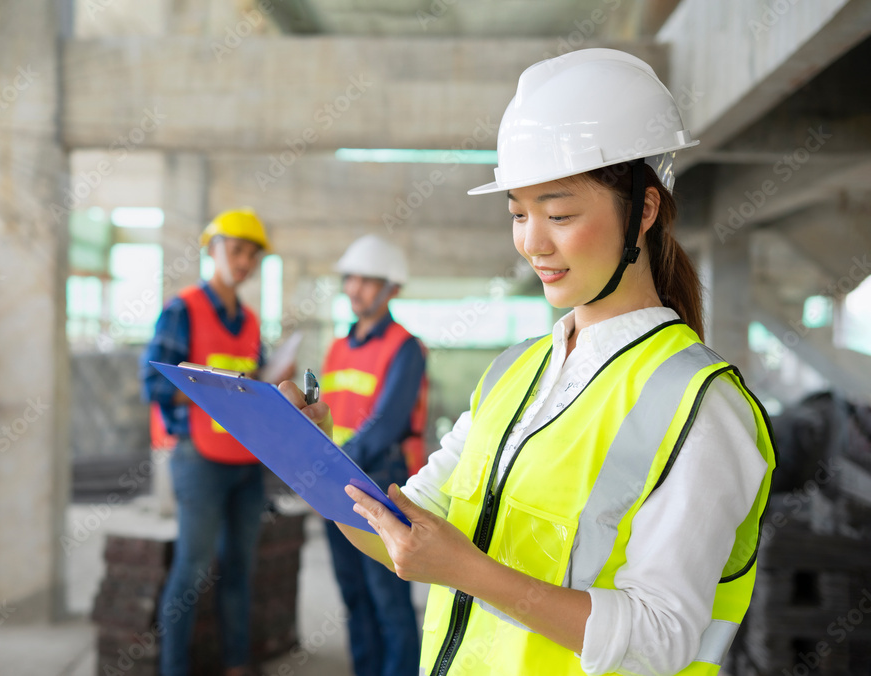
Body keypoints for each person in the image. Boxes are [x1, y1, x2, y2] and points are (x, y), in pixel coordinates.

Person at [281, 49, 776, 676]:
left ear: (644, 211)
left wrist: (468, 572)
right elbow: (399, 535)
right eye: (518, 212)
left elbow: (658, 639)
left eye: (560, 213)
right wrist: (306, 453)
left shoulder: (703, 407)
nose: (532, 243)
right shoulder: (514, 373)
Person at [140, 208, 272, 676]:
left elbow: (255, 389)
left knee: (240, 570)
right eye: (235, 250)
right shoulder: (184, 311)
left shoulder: (252, 323)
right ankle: (174, 668)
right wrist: (214, 383)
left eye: (251, 255)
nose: (243, 261)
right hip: (199, 460)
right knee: (192, 570)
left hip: (245, 461)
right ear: (213, 251)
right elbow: (153, 385)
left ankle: (236, 664)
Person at [319, 234, 428, 676]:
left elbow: (386, 424)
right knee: (354, 595)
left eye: (367, 281)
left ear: (392, 289)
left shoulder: (406, 347)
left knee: (389, 599)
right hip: (336, 479)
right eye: (351, 279)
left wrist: (329, 461)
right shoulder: (337, 347)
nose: (355, 288)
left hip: (380, 481)